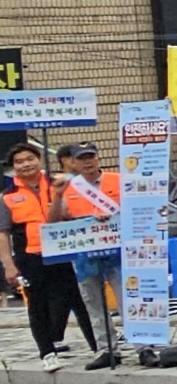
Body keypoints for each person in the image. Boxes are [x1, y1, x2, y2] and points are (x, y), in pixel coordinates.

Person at [2, 142, 94, 365]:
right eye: (19, 162)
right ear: (13, 167)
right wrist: (9, 265)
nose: (25, 165)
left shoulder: (58, 183)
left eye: (29, 159)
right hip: (31, 256)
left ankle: (99, 346)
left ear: (39, 160)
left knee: (80, 299)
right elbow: (3, 234)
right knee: (37, 304)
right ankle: (47, 352)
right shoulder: (8, 196)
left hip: (65, 251)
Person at [47, 140, 121, 367]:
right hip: (84, 254)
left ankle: (143, 347)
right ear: (73, 163)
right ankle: (106, 349)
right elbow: (54, 221)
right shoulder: (67, 187)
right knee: (93, 302)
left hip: (118, 250)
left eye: (91, 156)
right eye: (81, 158)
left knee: (128, 300)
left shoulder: (117, 180)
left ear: (98, 157)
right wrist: (58, 196)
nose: (87, 162)